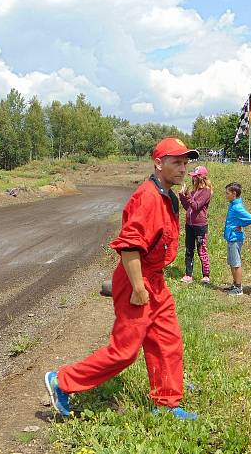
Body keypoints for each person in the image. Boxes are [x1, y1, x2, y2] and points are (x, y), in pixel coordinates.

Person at [44, 137, 199, 420]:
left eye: (186, 162)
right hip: (136, 279)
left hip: (155, 279)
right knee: (124, 352)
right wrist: (138, 288)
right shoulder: (147, 197)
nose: (183, 168)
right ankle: (62, 381)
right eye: (176, 162)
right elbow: (129, 247)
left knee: (167, 340)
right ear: (158, 163)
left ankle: (167, 405)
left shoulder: (167, 195)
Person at [223, 182, 251, 295]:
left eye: (227, 193)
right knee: (232, 262)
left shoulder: (237, 207)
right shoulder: (233, 204)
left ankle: (238, 287)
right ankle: (234, 283)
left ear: (234, 193)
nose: (226, 195)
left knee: (236, 263)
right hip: (231, 237)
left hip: (235, 238)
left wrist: (240, 225)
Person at [180, 165, 212, 284]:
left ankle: (206, 275)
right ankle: (188, 274)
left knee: (201, 249)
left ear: (200, 178)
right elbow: (188, 207)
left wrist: (188, 196)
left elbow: (196, 206)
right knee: (189, 249)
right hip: (189, 224)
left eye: (195, 177)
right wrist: (182, 196)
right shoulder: (194, 191)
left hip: (200, 225)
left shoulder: (206, 191)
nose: (193, 179)